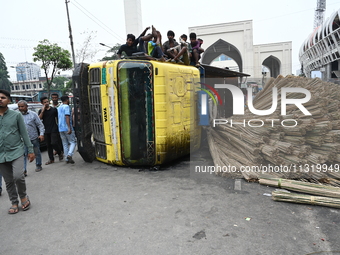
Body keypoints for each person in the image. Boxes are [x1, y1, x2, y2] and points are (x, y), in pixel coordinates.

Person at [0, 89, 34, 214]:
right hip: (1, 155)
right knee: (8, 180)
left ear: (8, 100)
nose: (0, 99)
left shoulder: (16, 115)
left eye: (3, 97)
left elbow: (24, 134)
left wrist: (30, 150)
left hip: (16, 151)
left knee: (18, 176)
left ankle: (24, 197)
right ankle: (14, 201)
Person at [18, 100, 45, 174]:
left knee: (37, 152)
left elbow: (40, 125)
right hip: (22, 139)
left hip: (33, 138)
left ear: (27, 106)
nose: (20, 108)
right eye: (19, 107)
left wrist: (41, 134)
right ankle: (24, 170)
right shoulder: (17, 115)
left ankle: (38, 165)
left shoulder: (33, 114)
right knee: (23, 155)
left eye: (22, 106)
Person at [38, 96, 64, 165]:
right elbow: (39, 119)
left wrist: (60, 127)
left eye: (47, 102)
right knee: (48, 145)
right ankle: (51, 159)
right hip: (46, 130)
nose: (46, 103)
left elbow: (58, 118)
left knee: (54, 142)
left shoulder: (54, 110)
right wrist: (43, 111)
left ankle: (59, 152)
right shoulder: (41, 111)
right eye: (45, 102)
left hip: (54, 129)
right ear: (42, 103)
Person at [58, 95, 77, 164]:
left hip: (60, 128)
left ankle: (66, 159)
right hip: (66, 127)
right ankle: (69, 155)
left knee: (65, 143)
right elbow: (67, 117)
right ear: (67, 100)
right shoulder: (66, 107)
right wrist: (69, 128)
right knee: (73, 142)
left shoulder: (59, 107)